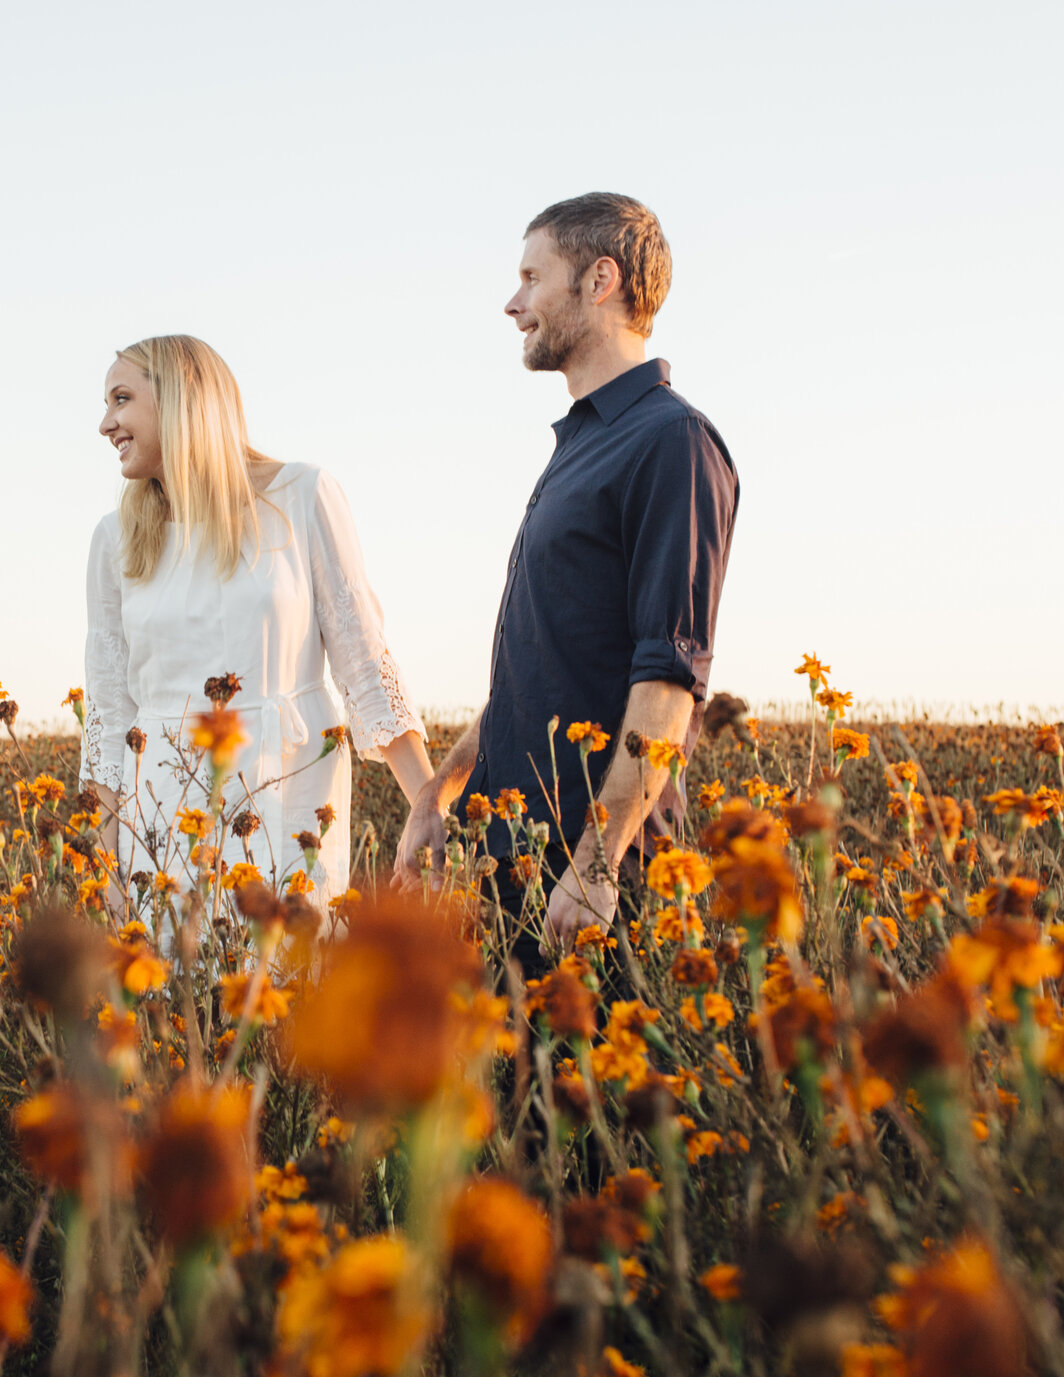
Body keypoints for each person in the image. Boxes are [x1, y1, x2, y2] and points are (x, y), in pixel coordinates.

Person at [394, 193, 738, 950]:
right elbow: (539, 670)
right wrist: (439, 791)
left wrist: (599, 860)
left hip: (589, 880)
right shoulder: (579, 447)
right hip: (513, 858)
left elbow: (668, 680)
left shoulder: (671, 442)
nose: (513, 303)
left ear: (599, 280)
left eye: (530, 276)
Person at [80, 334, 433, 903]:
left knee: (289, 978)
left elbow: (366, 669)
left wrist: (429, 809)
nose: (105, 424)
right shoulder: (115, 540)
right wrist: (109, 875)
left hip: (287, 790)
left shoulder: (302, 495)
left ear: (179, 399)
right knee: (179, 985)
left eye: (120, 399)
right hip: (161, 817)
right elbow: (107, 719)